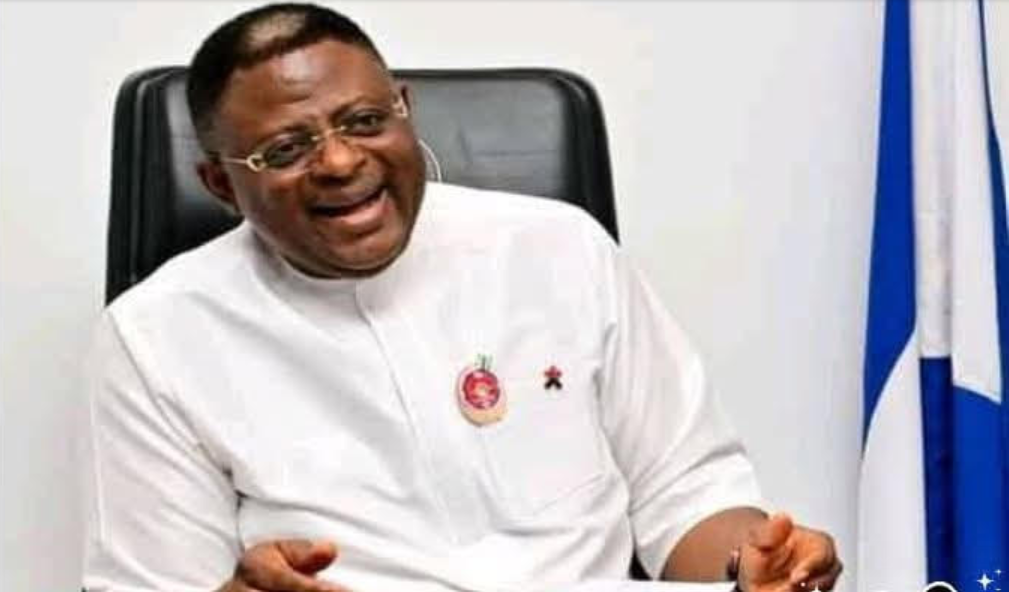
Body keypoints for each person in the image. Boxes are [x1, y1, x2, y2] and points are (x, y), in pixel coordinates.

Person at [81, 3, 843, 592]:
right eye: (286, 149)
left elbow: (684, 491)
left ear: (403, 111)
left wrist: (752, 565)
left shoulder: (559, 248)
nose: (340, 161)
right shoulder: (155, 337)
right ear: (220, 184)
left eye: (364, 121)